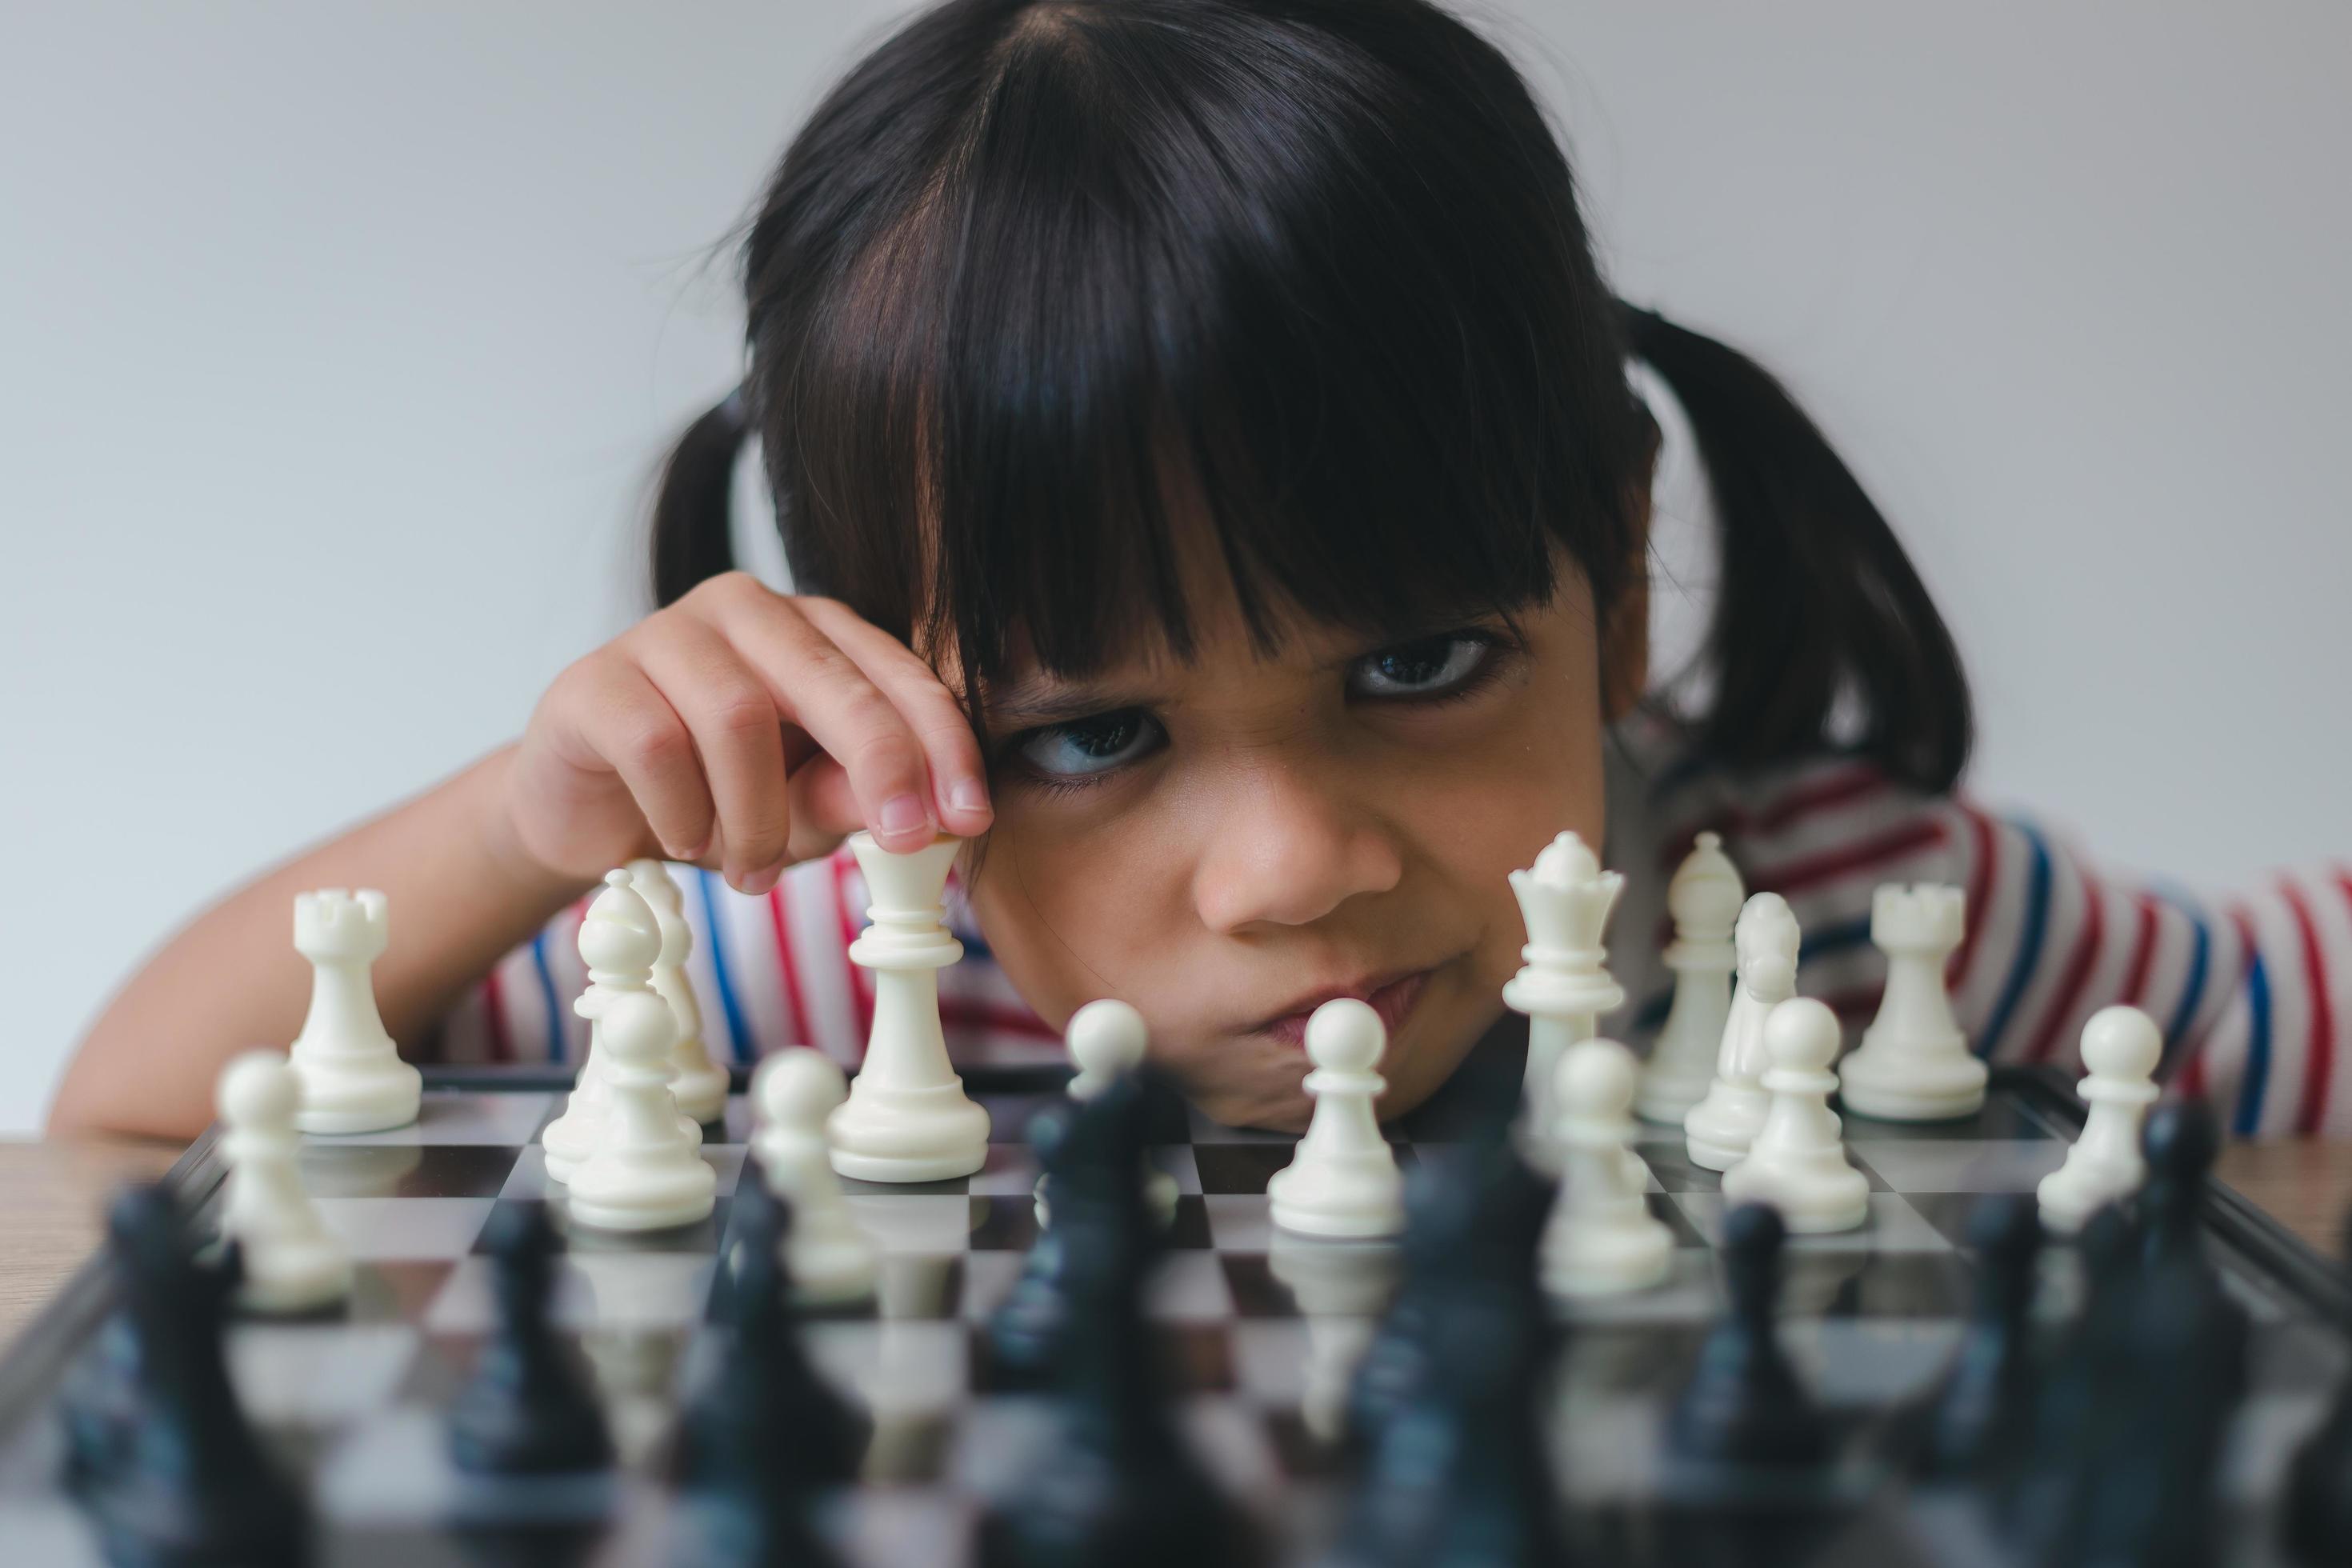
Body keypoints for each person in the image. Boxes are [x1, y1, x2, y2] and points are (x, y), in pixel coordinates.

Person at [50, 0, 2346, 1142]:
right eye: (1085, 735)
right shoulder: (831, 992)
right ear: (879, 704)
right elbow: (136, 1129)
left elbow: (2298, 1000)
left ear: (1620, 584)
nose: (1285, 869)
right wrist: (506, 831)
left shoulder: (1839, 925)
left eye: (1420, 660)